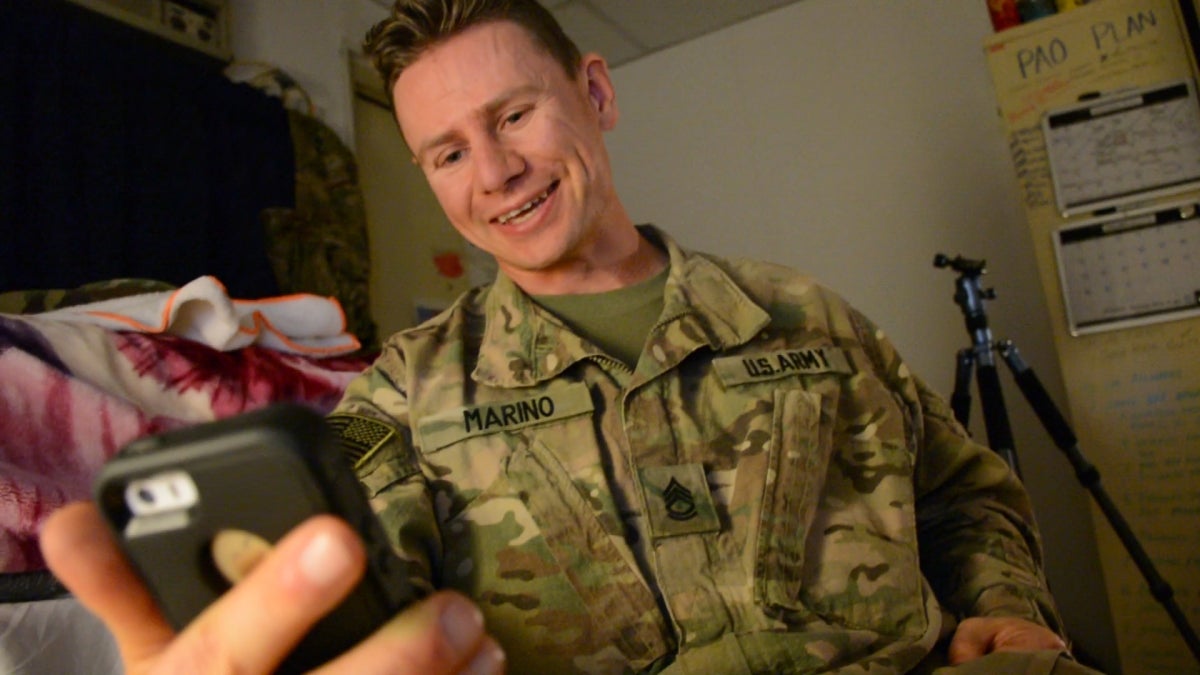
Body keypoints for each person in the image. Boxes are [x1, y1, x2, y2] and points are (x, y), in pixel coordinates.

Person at [40, 0, 1101, 672]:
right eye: (446, 154)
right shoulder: (406, 396)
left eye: (511, 117)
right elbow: (353, 583)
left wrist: (1000, 609)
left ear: (594, 93)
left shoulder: (801, 314)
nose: (493, 173)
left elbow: (960, 493)